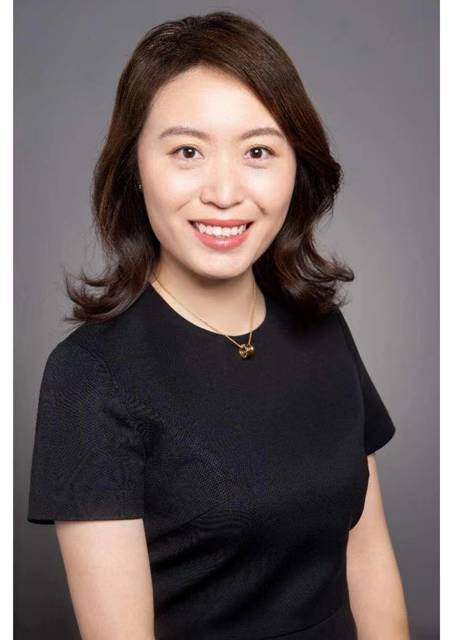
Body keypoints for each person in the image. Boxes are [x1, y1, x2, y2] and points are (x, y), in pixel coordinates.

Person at [26, 10, 410, 640]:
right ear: (134, 167)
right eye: (187, 151)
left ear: (297, 166)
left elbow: (367, 560)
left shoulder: (324, 331)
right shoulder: (89, 376)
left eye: (258, 151)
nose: (225, 192)